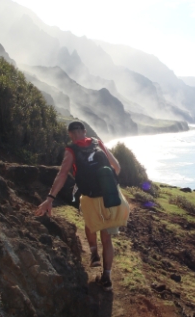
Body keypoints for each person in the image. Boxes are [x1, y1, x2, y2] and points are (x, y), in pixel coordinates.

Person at [35, 121, 129, 291]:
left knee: (89, 223)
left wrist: (50, 198)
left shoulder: (71, 149)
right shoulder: (97, 142)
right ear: (84, 131)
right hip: (109, 196)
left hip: (89, 197)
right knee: (107, 238)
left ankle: (93, 253)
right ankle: (107, 277)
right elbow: (117, 167)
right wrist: (107, 183)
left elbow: (63, 174)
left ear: (70, 134)